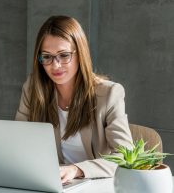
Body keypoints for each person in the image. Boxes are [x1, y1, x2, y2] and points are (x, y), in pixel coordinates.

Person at [15, 15, 133, 182]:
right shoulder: (33, 88)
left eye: (64, 55)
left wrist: (76, 170)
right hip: (48, 183)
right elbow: (17, 142)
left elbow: (125, 156)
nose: (55, 65)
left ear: (80, 54)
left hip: (94, 185)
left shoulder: (109, 94)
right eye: (47, 57)